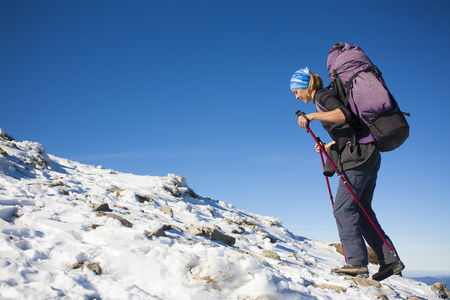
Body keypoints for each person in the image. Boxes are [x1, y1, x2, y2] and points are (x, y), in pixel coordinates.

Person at [290, 67, 405, 281]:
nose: (296, 96)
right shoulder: (324, 98)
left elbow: (344, 115)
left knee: (343, 209)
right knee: (361, 211)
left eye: (296, 91)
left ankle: (356, 263)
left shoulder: (322, 96)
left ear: (306, 85)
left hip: (359, 157)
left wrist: (313, 115)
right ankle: (390, 260)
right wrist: (329, 145)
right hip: (368, 153)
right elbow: (350, 128)